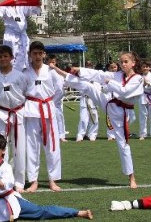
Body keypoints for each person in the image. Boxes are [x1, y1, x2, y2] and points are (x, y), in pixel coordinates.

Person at [51, 52, 143, 189]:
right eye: (121, 62)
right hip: (109, 103)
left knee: (123, 144)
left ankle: (131, 177)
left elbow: (124, 92)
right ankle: (62, 73)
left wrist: (109, 83)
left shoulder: (138, 79)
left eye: (126, 62)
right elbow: (99, 75)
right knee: (88, 86)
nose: (123, 64)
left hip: (122, 113)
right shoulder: (117, 75)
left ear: (133, 63)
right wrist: (80, 70)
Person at [22, 41, 64, 192]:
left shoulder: (51, 71)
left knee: (52, 145)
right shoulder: (25, 73)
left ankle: (52, 180)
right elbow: (21, 92)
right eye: (35, 53)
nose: (38, 56)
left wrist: (51, 103)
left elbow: (59, 90)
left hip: (48, 109)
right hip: (31, 110)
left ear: (44, 54)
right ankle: (34, 180)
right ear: (30, 55)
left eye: (40, 53)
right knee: (31, 146)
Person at [0, 45, 29, 192]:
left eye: (6, 56)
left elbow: (25, 91)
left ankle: (19, 182)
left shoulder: (20, 76)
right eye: (0, 57)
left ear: (11, 58)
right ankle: (3, 179)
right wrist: (1, 100)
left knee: (19, 147)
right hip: (2, 113)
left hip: (18, 113)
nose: (3, 59)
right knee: (1, 148)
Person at [47, 54, 68, 142]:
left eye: (53, 62)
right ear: (47, 62)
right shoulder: (45, 71)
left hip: (57, 98)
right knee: (49, 117)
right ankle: (50, 135)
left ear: (56, 63)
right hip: (49, 98)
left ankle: (61, 135)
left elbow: (61, 85)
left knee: (59, 116)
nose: (52, 64)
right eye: (50, 62)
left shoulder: (58, 71)